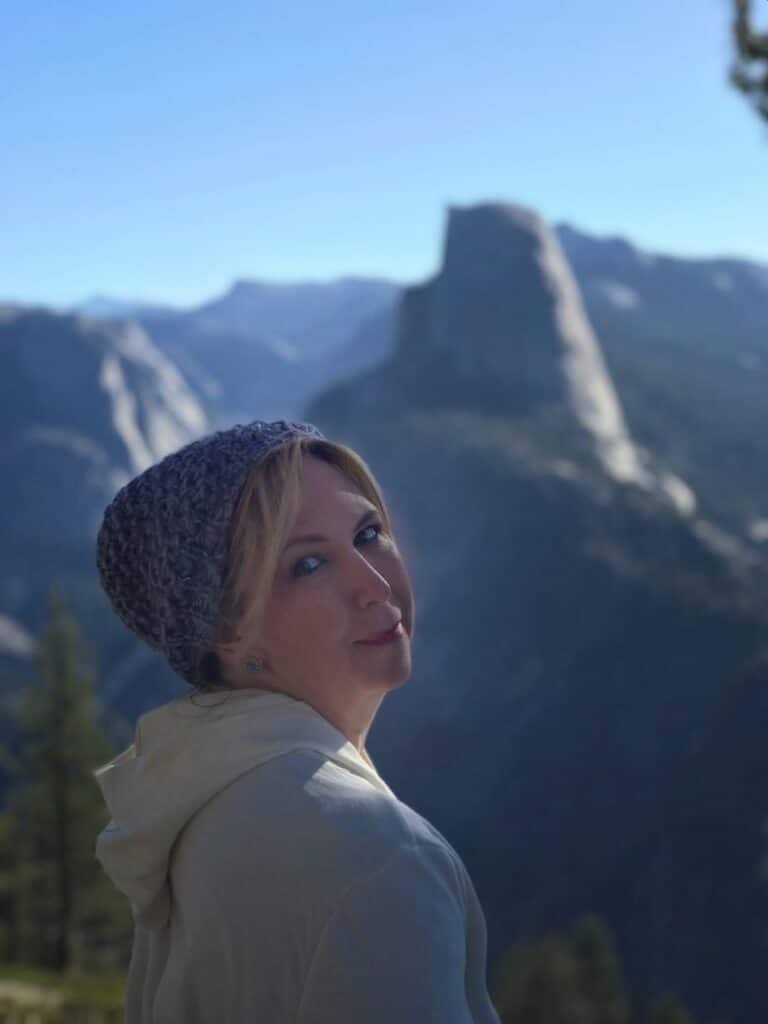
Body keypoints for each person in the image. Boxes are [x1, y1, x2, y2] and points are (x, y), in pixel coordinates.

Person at [93, 418, 501, 1023]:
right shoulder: (381, 857)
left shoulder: (189, 803)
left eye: (368, 533)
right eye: (308, 565)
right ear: (227, 630)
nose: (373, 584)